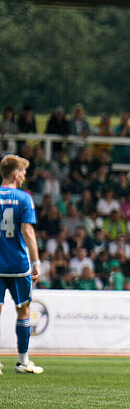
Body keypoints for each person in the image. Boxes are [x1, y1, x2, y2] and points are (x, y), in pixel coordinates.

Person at [0, 155, 42, 375]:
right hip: (18, 264)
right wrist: (36, 262)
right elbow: (27, 231)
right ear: (15, 174)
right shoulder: (24, 198)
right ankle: (23, 361)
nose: (25, 177)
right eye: (23, 173)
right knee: (23, 310)